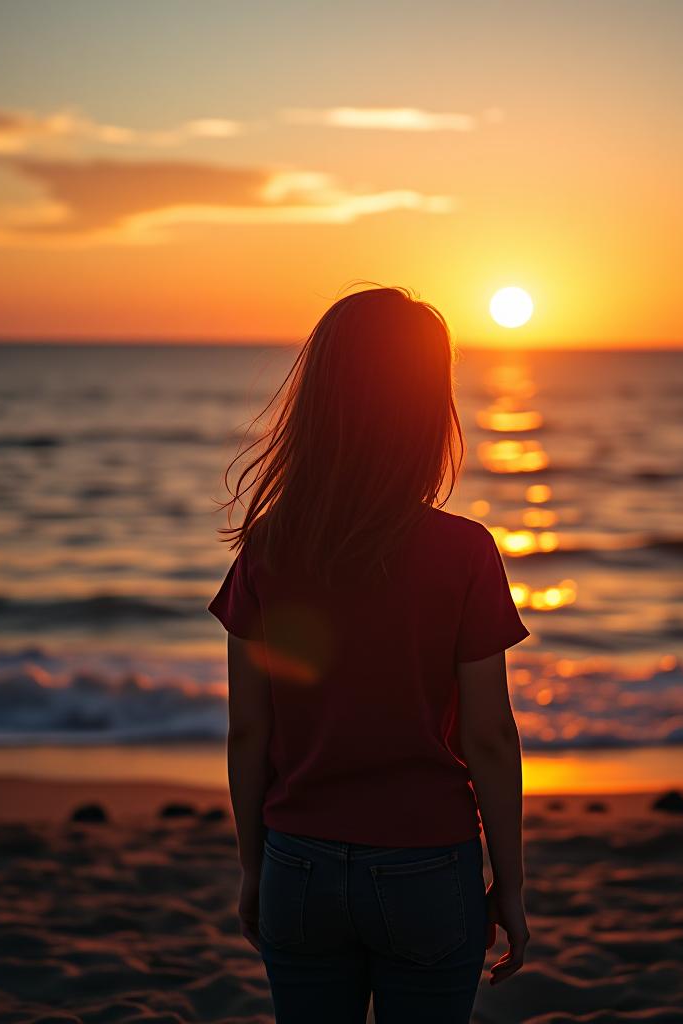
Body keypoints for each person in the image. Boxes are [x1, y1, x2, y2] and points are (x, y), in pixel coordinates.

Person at [207, 284, 531, 1023]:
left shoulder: (272, 548)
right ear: (427, 410)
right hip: (427, 865)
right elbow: (488, 735)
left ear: (320, 402)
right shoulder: (464, 553)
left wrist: (254, 865)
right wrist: (508, 883)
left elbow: (250, 729)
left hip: (299, 861)